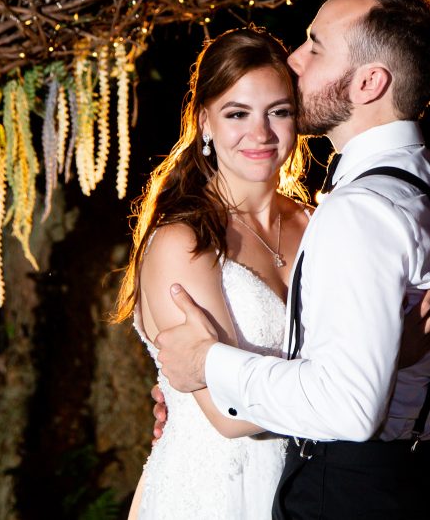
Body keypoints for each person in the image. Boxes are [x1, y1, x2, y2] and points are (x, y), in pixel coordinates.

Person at [154, 0, 430, 519]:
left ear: (370, 82)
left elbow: (349, 403)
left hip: (352, 486)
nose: (294, 58)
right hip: (395, 475)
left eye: (314, 45)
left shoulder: (355, 210)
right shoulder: (429, 183)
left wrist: (208, 363)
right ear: (205, 120)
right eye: (236, 113)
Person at [114, 26, 312, 520]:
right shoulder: (183, 243)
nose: (261, 133)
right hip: (213, 493)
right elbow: (230, 411)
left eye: (278, 112)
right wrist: (360, 377)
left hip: (307, 486)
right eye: (237, 113)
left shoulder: (316, 224)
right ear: (204, 121)